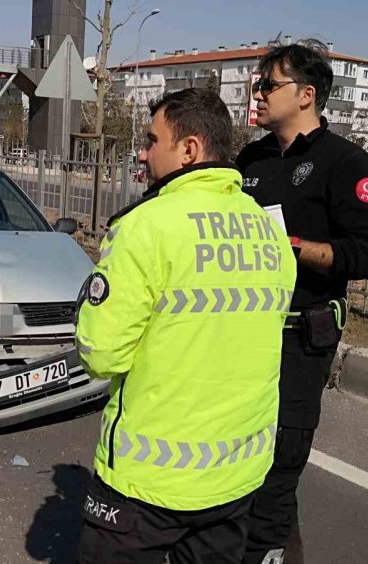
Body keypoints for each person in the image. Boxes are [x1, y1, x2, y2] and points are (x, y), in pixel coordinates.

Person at [75, 88, 297, 563]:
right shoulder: (268, 232)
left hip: (148, 483)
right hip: (236, 477)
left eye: (152, 140)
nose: (142, 152)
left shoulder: (144, 227)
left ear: (190, 149)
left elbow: (103, 353)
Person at [234, 40, 368, 564]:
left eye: (267, 85)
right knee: (239, 453)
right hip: (242, 332)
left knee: (281, 459)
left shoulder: (345, 162)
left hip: (302, 336)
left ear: (306, 95)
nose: (257, 94)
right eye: (257, 84)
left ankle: (269, 552)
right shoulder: (250, 159)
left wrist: (296, 249)